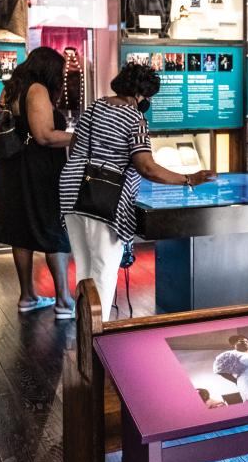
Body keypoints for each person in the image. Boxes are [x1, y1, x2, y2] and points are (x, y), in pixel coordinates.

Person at [59, 62, 215, 320]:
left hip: (71, 192)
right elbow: (147, 167)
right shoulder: (135, 117)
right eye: (148, 97)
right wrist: (189, 178)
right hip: (104, 199)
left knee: (85, 268)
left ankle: (82, 329)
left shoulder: (94, 107)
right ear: (140, 94)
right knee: (105, 268)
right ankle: (97, 336)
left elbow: (76, 146)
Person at [0, 47, 78, 315]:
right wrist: (79, 136)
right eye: (59, 71)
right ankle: (63, 301)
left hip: (11, 168)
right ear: (48, 69)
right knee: (53, 230)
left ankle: (27, 296)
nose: (61, 76)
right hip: (37, 170)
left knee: (21, 230)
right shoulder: (37, 90)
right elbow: (45, 136)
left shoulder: (11, 89)